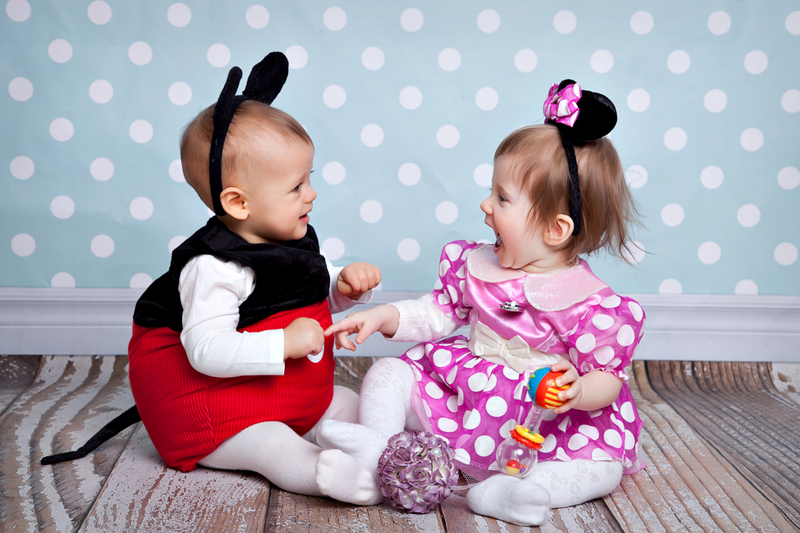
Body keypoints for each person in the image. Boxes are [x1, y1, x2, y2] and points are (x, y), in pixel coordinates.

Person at [320, 80, 646, 524]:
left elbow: (606, 377)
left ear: (555, 230)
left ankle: (517, 490)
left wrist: (580, 391)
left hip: (541, 422)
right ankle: (377, 453)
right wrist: (384, 315)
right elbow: (437, 313)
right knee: (388, 372)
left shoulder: (592, 305)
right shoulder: (476, 265)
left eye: (502, 198)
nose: (485, 205)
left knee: (604, 467)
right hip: (468, 400)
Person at [127, 53, 383, 505]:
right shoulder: (214, 267)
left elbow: (297, 291)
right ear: (239, 203)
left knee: (348, 403)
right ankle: (327, 475)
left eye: (309, 179)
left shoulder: (287, 237)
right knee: (272, 444)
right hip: (220, 415)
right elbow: (206, 350)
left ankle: (383, 451)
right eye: (296, 187)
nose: (312, 194)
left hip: (282, 397)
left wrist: (342, 287)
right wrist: (283, 343)